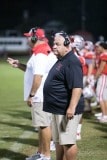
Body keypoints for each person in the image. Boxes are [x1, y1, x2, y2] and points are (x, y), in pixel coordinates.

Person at [7, 27, 57, 160]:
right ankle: (41, 153)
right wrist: (19, 65)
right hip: (42, 94)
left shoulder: (40, 54)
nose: (27, 38)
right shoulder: (39, 52)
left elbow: (38, 76)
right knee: (42, 125)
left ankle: (45, 155)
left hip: (40, 95)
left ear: (35, 38)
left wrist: (31, 95)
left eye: (29, 36)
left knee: (44, 125)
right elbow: (32, 71)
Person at [43, 31, 84, 160]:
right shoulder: (62, 59)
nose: (53, 46)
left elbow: (77, 87)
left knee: (67, 142)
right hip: (57, 108)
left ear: (67, 45)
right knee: (58, 141)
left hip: (65, 108)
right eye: (53, 44)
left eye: (57, 44)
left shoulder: (72, 61)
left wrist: (71, 108)